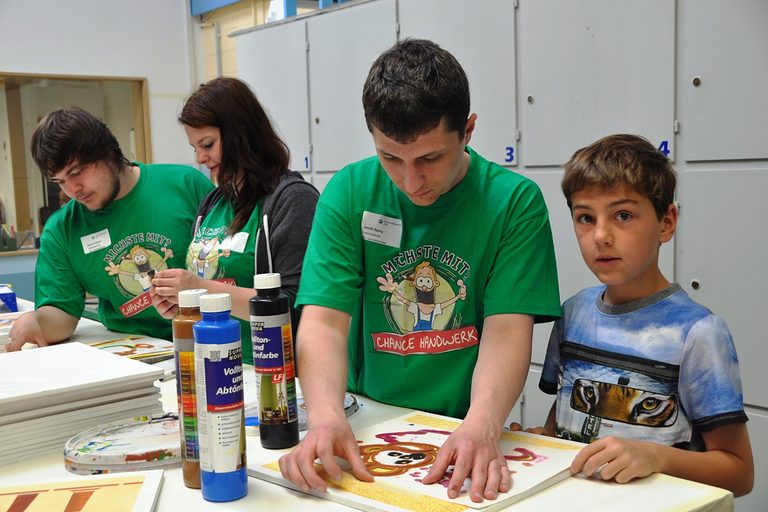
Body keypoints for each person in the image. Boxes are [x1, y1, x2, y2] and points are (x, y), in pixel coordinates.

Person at [278, 39, 561, 503]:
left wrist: (482, 424)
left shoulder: (513, 202)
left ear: (468, 131)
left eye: (430, 158)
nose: (411, 182)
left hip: (461, 422)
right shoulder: (349, 191)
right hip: (366, 415)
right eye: (391, 158)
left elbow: (508, 331)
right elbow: (325, 321)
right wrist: (325, 414)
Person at [529, 134, 753, 496]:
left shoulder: (698, 332)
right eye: (585, 218)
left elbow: (740, 473)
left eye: (623, 215)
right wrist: (549, 442)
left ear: (666, 222)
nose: (601, 235)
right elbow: (565, 412)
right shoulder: (573, 312)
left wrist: (654, 456)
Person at [6, 107, 213, 351]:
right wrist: (38, 322)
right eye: (60, 181)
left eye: (77, 172)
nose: (72, 189)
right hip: (135, 349)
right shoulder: (62, 229)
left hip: (209, 338)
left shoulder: (185, 185)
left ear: (107, 152)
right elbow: (62, 311)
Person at [150, 77, 319, 366]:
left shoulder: (293, 200)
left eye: (208, 144)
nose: (201, 158)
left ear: (241, 134)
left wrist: (199, 287)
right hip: (214, 363)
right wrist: (182, 304)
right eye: (195, 148)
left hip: (272, 372)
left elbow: (295, 308)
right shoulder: (213, 202)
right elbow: (206, 287)